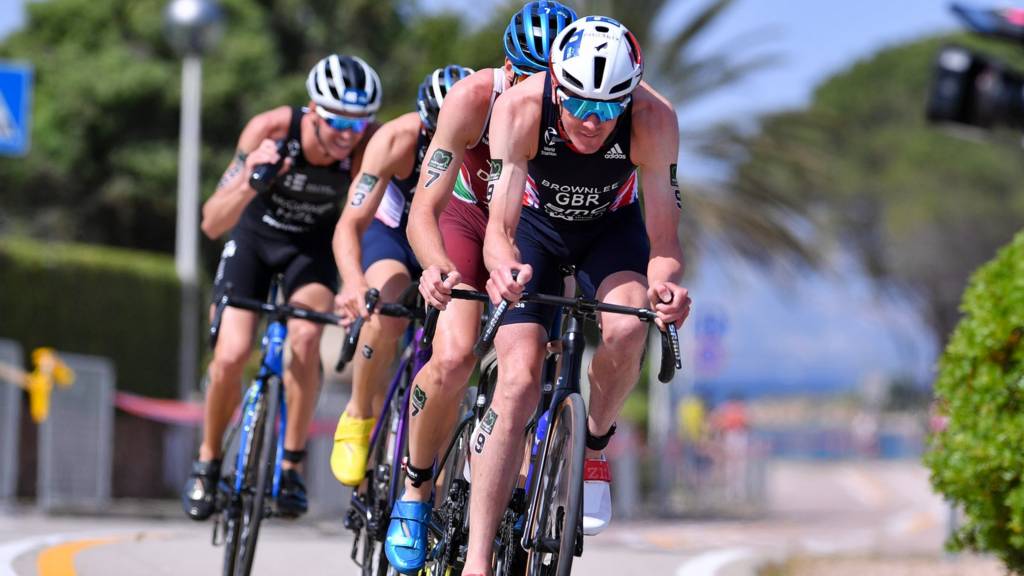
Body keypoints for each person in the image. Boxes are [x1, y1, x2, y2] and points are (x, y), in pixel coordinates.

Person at [467, 16, 692, 574]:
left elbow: (663, 240)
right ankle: (475, 560)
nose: (593, 122)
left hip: (609, 230)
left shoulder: (653, 118)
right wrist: (501, 268)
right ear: (556, 85)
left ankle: (593, 449)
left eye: (610, 107)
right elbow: (499, 228)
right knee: (518, 383)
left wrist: (666, 286)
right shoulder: (519, 107)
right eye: (580, 106)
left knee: (628, 326)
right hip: (535, 231)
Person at [382, 2, 577, 573]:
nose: (533, 91)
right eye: (523, 74)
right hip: (468, 223)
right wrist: (435, 264)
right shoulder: (473, 98)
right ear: (505, 66)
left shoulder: (582, 114)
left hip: (537, 236)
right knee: (453, 355)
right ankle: (416, 488)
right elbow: (424, 208)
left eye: (547, 81)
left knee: (532, 369)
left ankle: (509, 475)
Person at [182, 54, 382, 521]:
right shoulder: (269, 129)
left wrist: (357, 283)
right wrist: (255, 179)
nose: (347, 136)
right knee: (230, 355)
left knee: (307, 337)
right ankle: (208, 461)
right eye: (337, 122)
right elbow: (213, 222)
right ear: (312, 109)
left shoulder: (363, 149)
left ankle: (290, 463)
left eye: (359, 124)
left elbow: (365, 224)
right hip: (254, 240)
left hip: (308, 252)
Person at [329, 64, 474, 487]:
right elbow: (349, 224)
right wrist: (355, 282)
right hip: (392, 235)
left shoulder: (490, 140)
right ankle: (358, 413)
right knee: (384, 306)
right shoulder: (395, 139)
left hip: (449, 242)